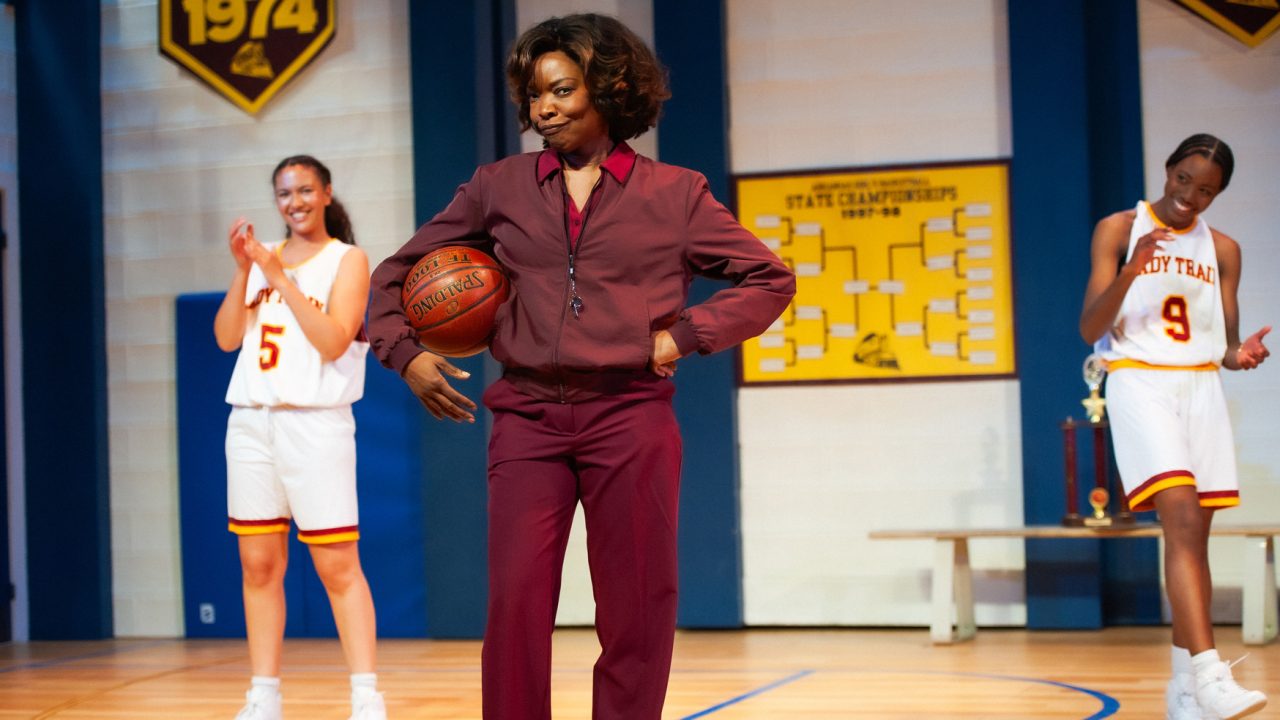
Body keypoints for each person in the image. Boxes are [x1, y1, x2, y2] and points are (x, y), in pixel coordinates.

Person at [368, 13, 795, 720]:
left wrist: (684, 337)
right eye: (534, 95)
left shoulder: (676, 194)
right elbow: (393, 275)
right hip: (527, 418)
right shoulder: (497, 187)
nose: (543, 109)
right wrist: (405, 355)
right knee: (515, 603)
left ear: (610, 86)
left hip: (630, 417)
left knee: (637, 606)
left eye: (561, 90)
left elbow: (770, 279)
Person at [1079, 134, 1270, 720]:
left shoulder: (1225, 249)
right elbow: (1090, 327)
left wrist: (1242, 357)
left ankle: (1184, 689)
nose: (1190, 195)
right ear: (1168, 169)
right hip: (1140, 379)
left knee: (1193, 539)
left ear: (1218, 193)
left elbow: (1227, 344)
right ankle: (1211, 675)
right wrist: (1133, 269)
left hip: (1200, 387)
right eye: (1184, 178)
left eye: (1206, 189)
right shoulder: (1119, 228)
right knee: (1181, 517)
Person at [213, 155, 386, 720]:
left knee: (338, 566)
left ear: (327, 193)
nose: (295, 202)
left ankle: (366, 695)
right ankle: (263, 695)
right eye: (285, 194)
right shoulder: (263, 263)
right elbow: (225, 338)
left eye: (305, 190)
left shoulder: (348, 259)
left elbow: (334, 341)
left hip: (315, 423)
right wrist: (245, 269)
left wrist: (279, 276)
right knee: (258, 566)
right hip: (251, 421)